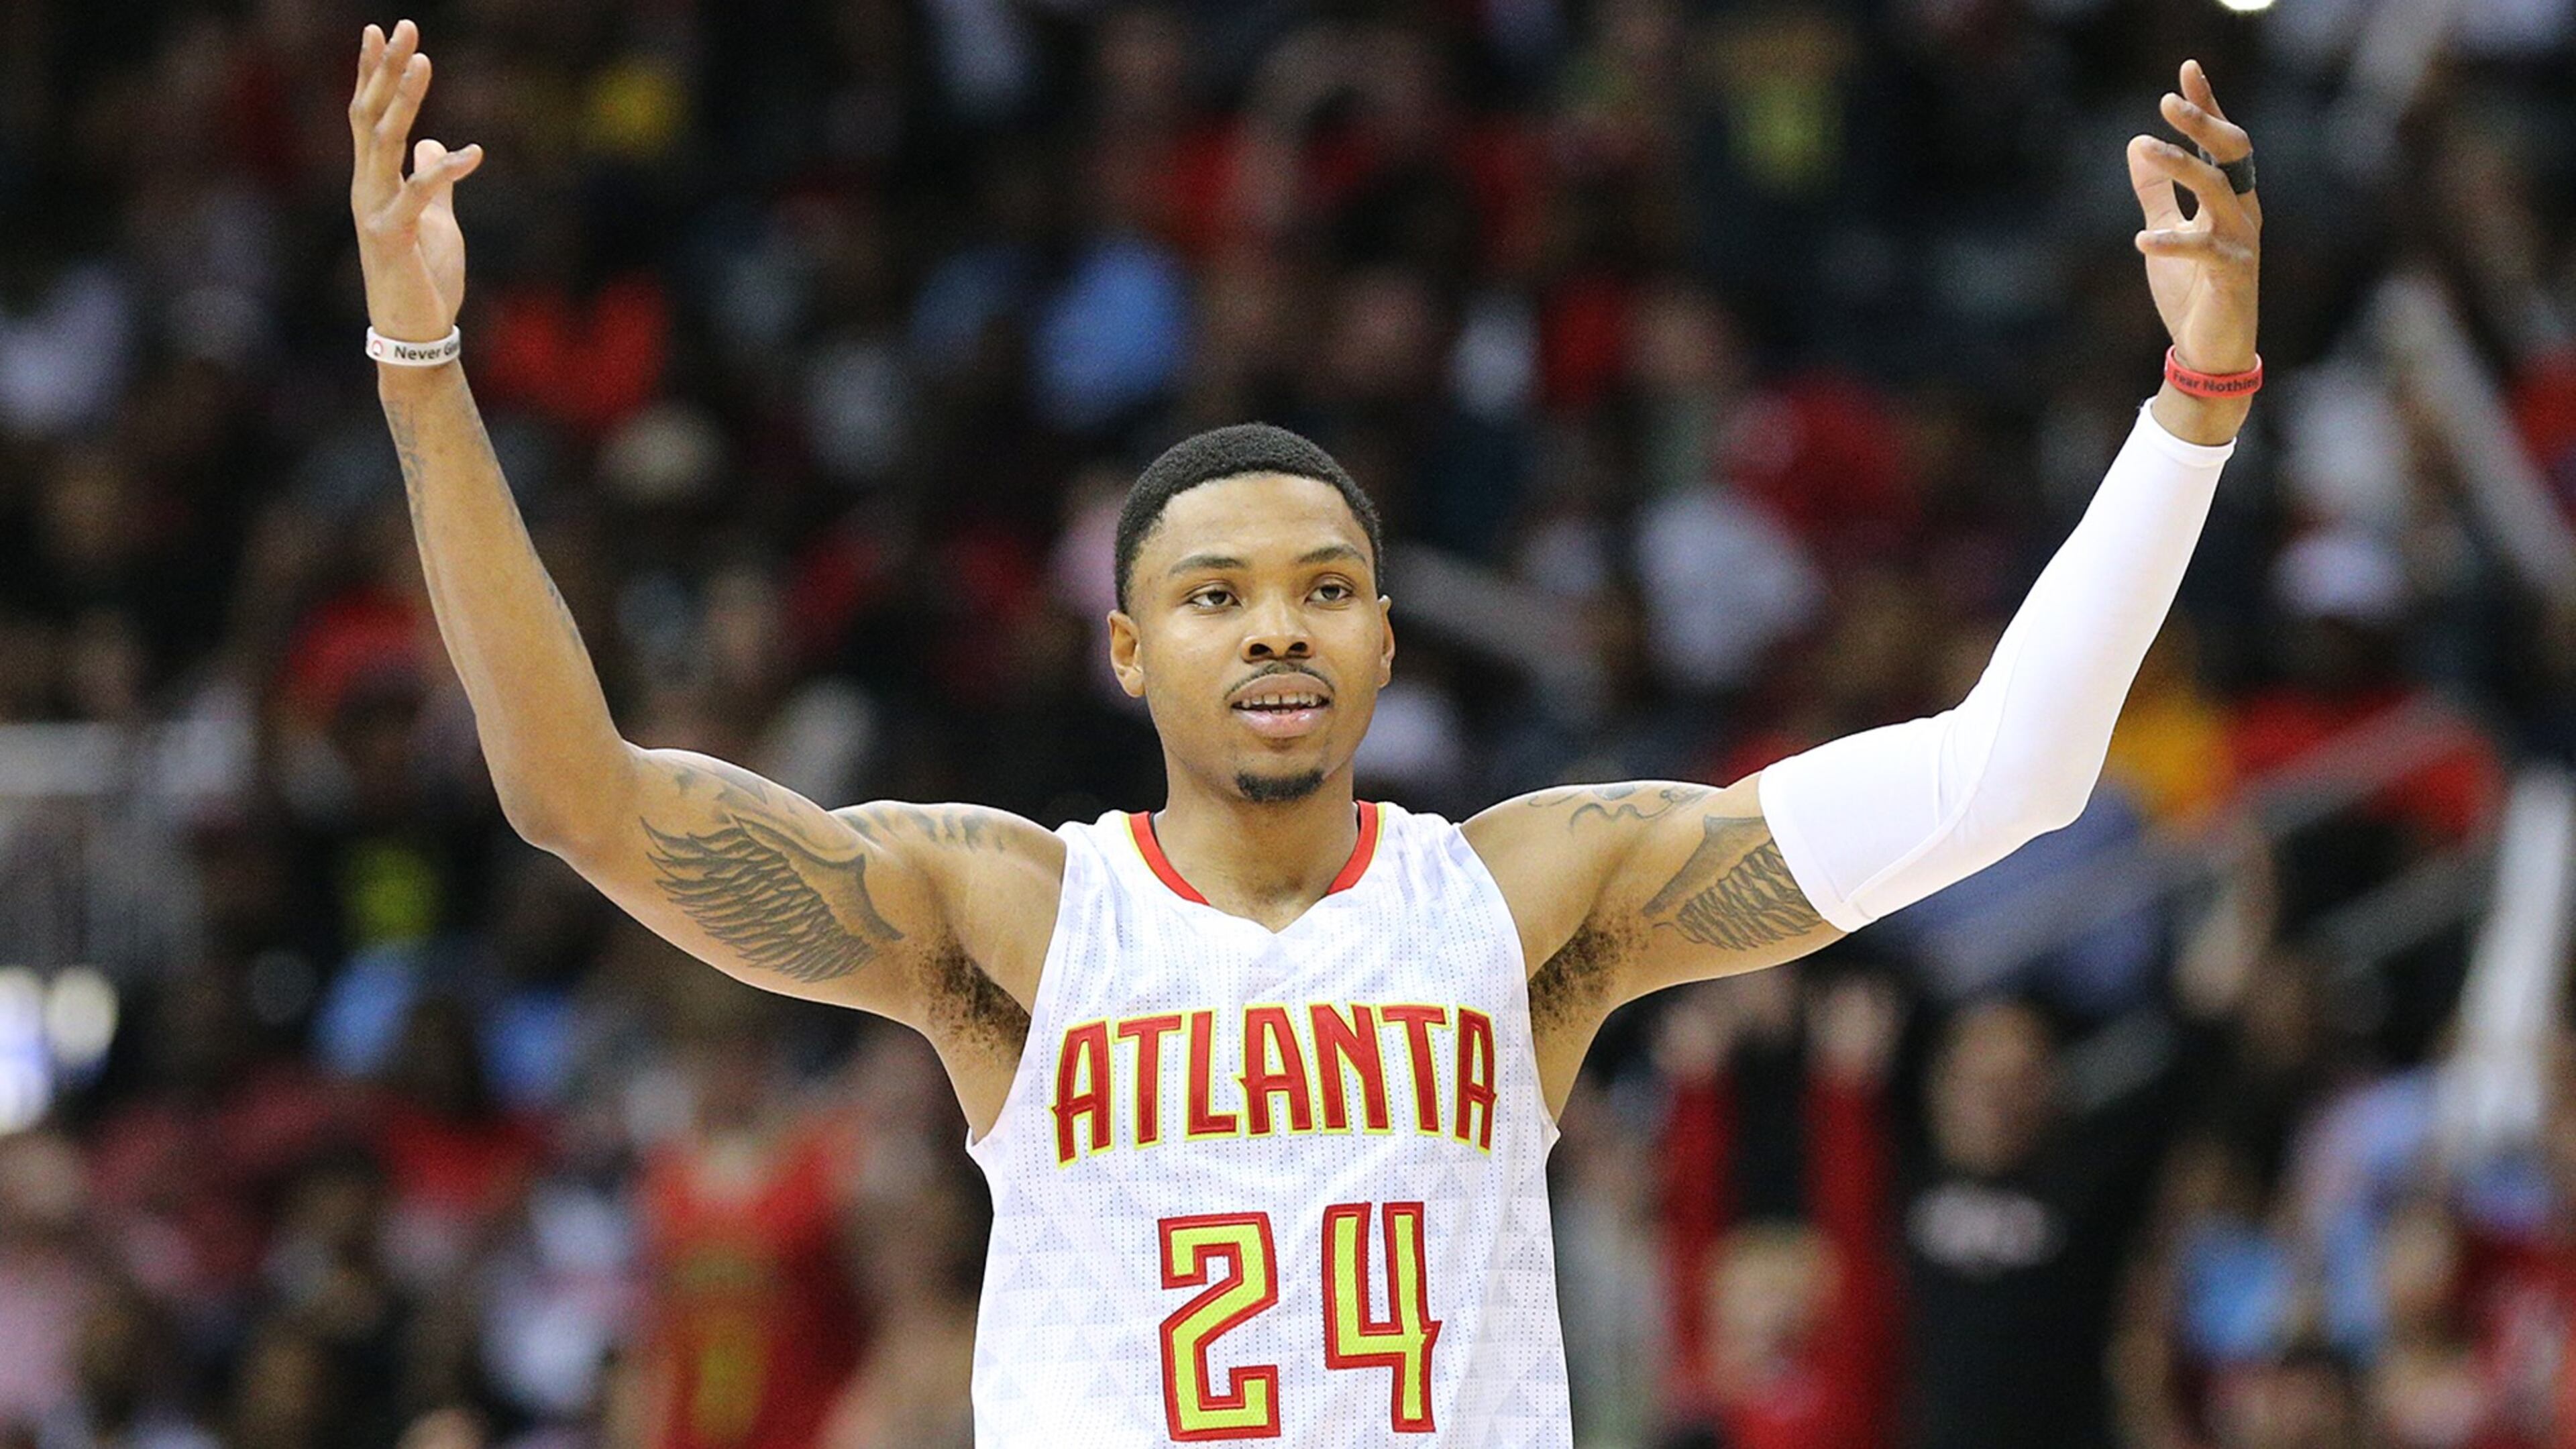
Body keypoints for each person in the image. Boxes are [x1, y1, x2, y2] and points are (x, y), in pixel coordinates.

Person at [347, 18, 2262, 1442]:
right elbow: (578, 799)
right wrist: (424, 367)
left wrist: (2195, 398)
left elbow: (2007, 776)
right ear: (1125, 653)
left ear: (1385, 640)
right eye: (1216, 594)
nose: (1277, 622)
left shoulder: (1531, 900)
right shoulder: (1016, 921)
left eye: (1326, 586)